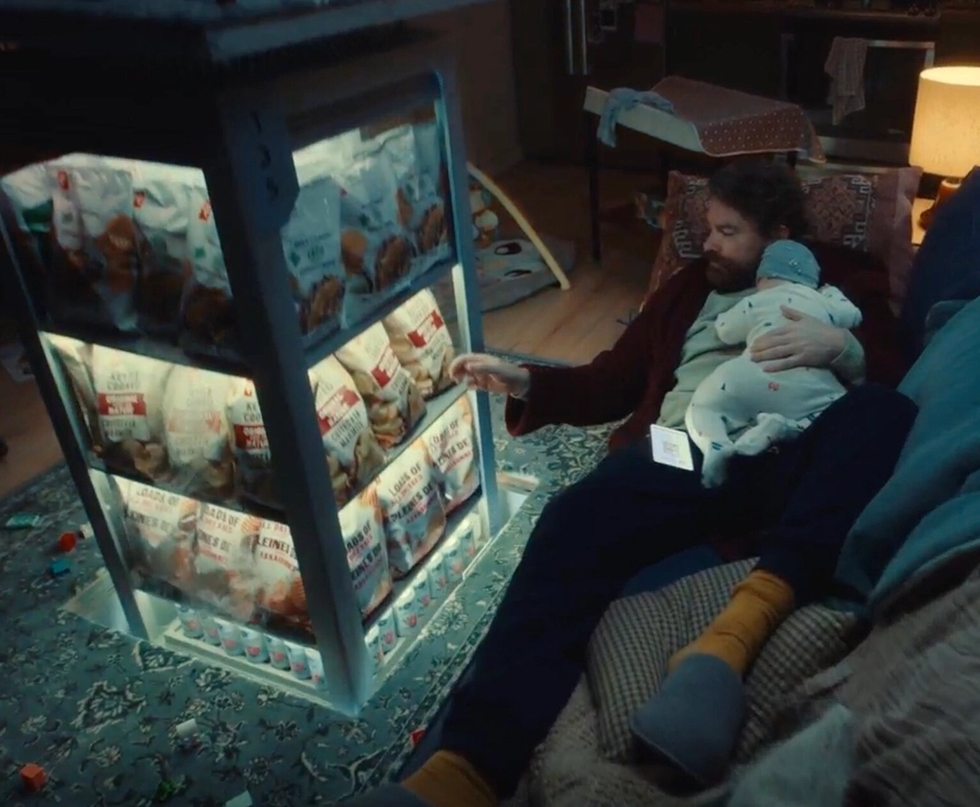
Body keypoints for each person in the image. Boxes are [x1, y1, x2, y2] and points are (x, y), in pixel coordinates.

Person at [345, 160, 915, 807]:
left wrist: (844, 349)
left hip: (790, 448)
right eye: (707, 226)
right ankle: (467, 769)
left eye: (728, 231)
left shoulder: (838, 277)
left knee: (883, 415)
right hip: (685, 447)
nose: (710, 243)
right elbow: (612, 379)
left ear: (778, 233)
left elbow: (900, 366)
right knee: (576, 513)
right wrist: (528, 379)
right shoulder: (688, 289)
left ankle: (735, 636)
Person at [686, 239, 863, 487]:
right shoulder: (823, 301)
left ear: (761, 278)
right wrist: (832, 294)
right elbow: (854, 315)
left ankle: (715, 445)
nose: (708, 243)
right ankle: (781, 427)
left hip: (753, 373)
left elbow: (725, 330)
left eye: (728, 231)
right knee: (831, 413)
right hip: (810, 386)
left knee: (704, 405)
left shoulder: (755, 301)